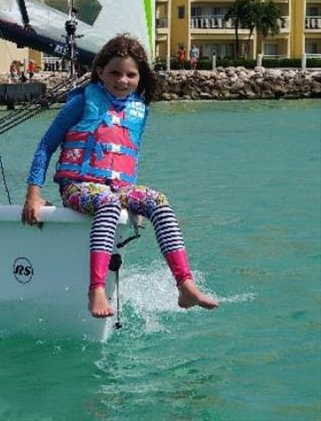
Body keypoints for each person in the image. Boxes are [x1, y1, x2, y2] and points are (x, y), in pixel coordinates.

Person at [21, 35, 217, 318]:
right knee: (109, 204)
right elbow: (45, 146)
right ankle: (96, 289)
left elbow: (129, 157)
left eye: (130, 74)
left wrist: (136, 203)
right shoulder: (81, 103)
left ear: (140, 77)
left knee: (159, 202)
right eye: (115, 72)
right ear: (100, 71)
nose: (122, 80)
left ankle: (185, 284)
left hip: (119, 188)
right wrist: (33, 194)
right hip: (78, 187)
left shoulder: (139, 109)